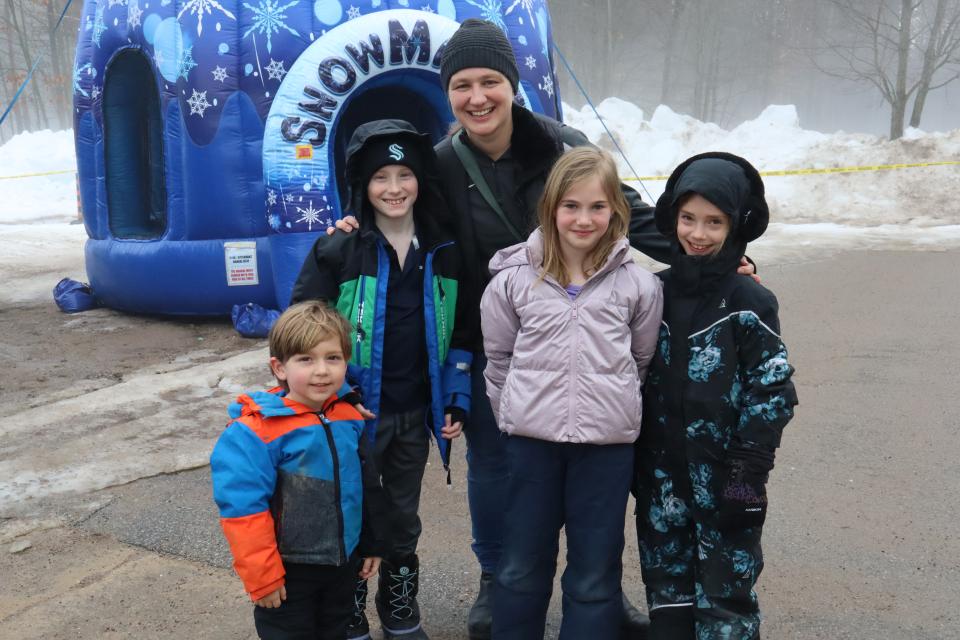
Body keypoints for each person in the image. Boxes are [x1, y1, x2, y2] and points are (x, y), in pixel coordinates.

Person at [330, 19, 754, 637]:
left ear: (513, 84)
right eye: (462, 85)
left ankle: (598, 594)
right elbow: (399, 206)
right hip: (485, 335)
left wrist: (712, 256)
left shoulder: (561, 144)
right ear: (448, 92)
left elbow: (624, 211)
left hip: (579, 322)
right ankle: (495, 580)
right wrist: (352, 226)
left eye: (490, 82)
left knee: (593, 484)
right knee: (496, 469)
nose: (477, 97)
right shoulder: (444, 160)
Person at [291, 119, 473, 640]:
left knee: (401, 517)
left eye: (404, 175)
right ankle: (348, 612)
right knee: (349, 512)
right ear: (361, 186)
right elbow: (302, 325)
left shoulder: (444, 250)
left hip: (413, 414)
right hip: (350, 415)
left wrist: (454, 398)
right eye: (380, 178)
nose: (394, 188)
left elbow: (463, 329)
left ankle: (399, 610)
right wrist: (331, 391)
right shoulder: (340, 249)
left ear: (420, 180)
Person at [479, 147, 663, 639]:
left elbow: (641, 362)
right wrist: (518, 417)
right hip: (531, 447)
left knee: (595, 570)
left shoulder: (639, 285)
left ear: (616, 212)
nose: (584, 219)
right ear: (551, 208)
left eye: (597, 207)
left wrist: (611, 408)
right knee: (520, 564)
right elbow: (498, 362)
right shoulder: (514, 281)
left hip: (605, 452)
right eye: (571, 206)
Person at [633, 152, 799, 639]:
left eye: (714, 222)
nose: (698, 234)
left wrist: (748, 471)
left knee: (726, 594)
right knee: (667, 590)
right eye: (688, 219)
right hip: (660, 478)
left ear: (737, 226)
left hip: (731, 476)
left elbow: (772, 389)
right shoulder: (650, 292)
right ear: (671, 219)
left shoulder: (751, 301)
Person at [210, 301, 389, 640]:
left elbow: (365, 486)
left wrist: (371, 542)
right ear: (279, 367)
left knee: (336, 631)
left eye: (332, 358)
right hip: (288, 573)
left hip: (342, 564)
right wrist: (262, 577)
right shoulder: (254, 433)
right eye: (306, 359)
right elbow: (243, 511)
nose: (322, 370)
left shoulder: (347, 417)